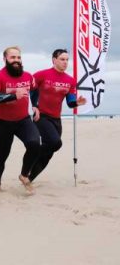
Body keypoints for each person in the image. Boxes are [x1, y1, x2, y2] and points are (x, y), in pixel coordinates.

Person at [0, 46, 40, 193]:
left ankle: (24, 175)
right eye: (12, 58)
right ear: (5, 59)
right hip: (4, 122)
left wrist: (35, 105)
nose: (16, 61)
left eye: (18, 58)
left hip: (23, 120)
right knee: (1, 156)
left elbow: (35, 90)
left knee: (35, 144)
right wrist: (12, 96)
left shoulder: (28, 76)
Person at [27, 49, 87, 182]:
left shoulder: (70, 80)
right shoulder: (41, 75)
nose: (65, 62)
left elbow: (70, 102)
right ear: (54, 60)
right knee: (56, 143)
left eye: (67, 60)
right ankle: (32, 156)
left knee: (49, 153)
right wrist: (35, 105)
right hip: (41, 116)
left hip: (56, 119)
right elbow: (31, 90)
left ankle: (29, 178)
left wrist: (77, 102)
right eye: (62, 59)